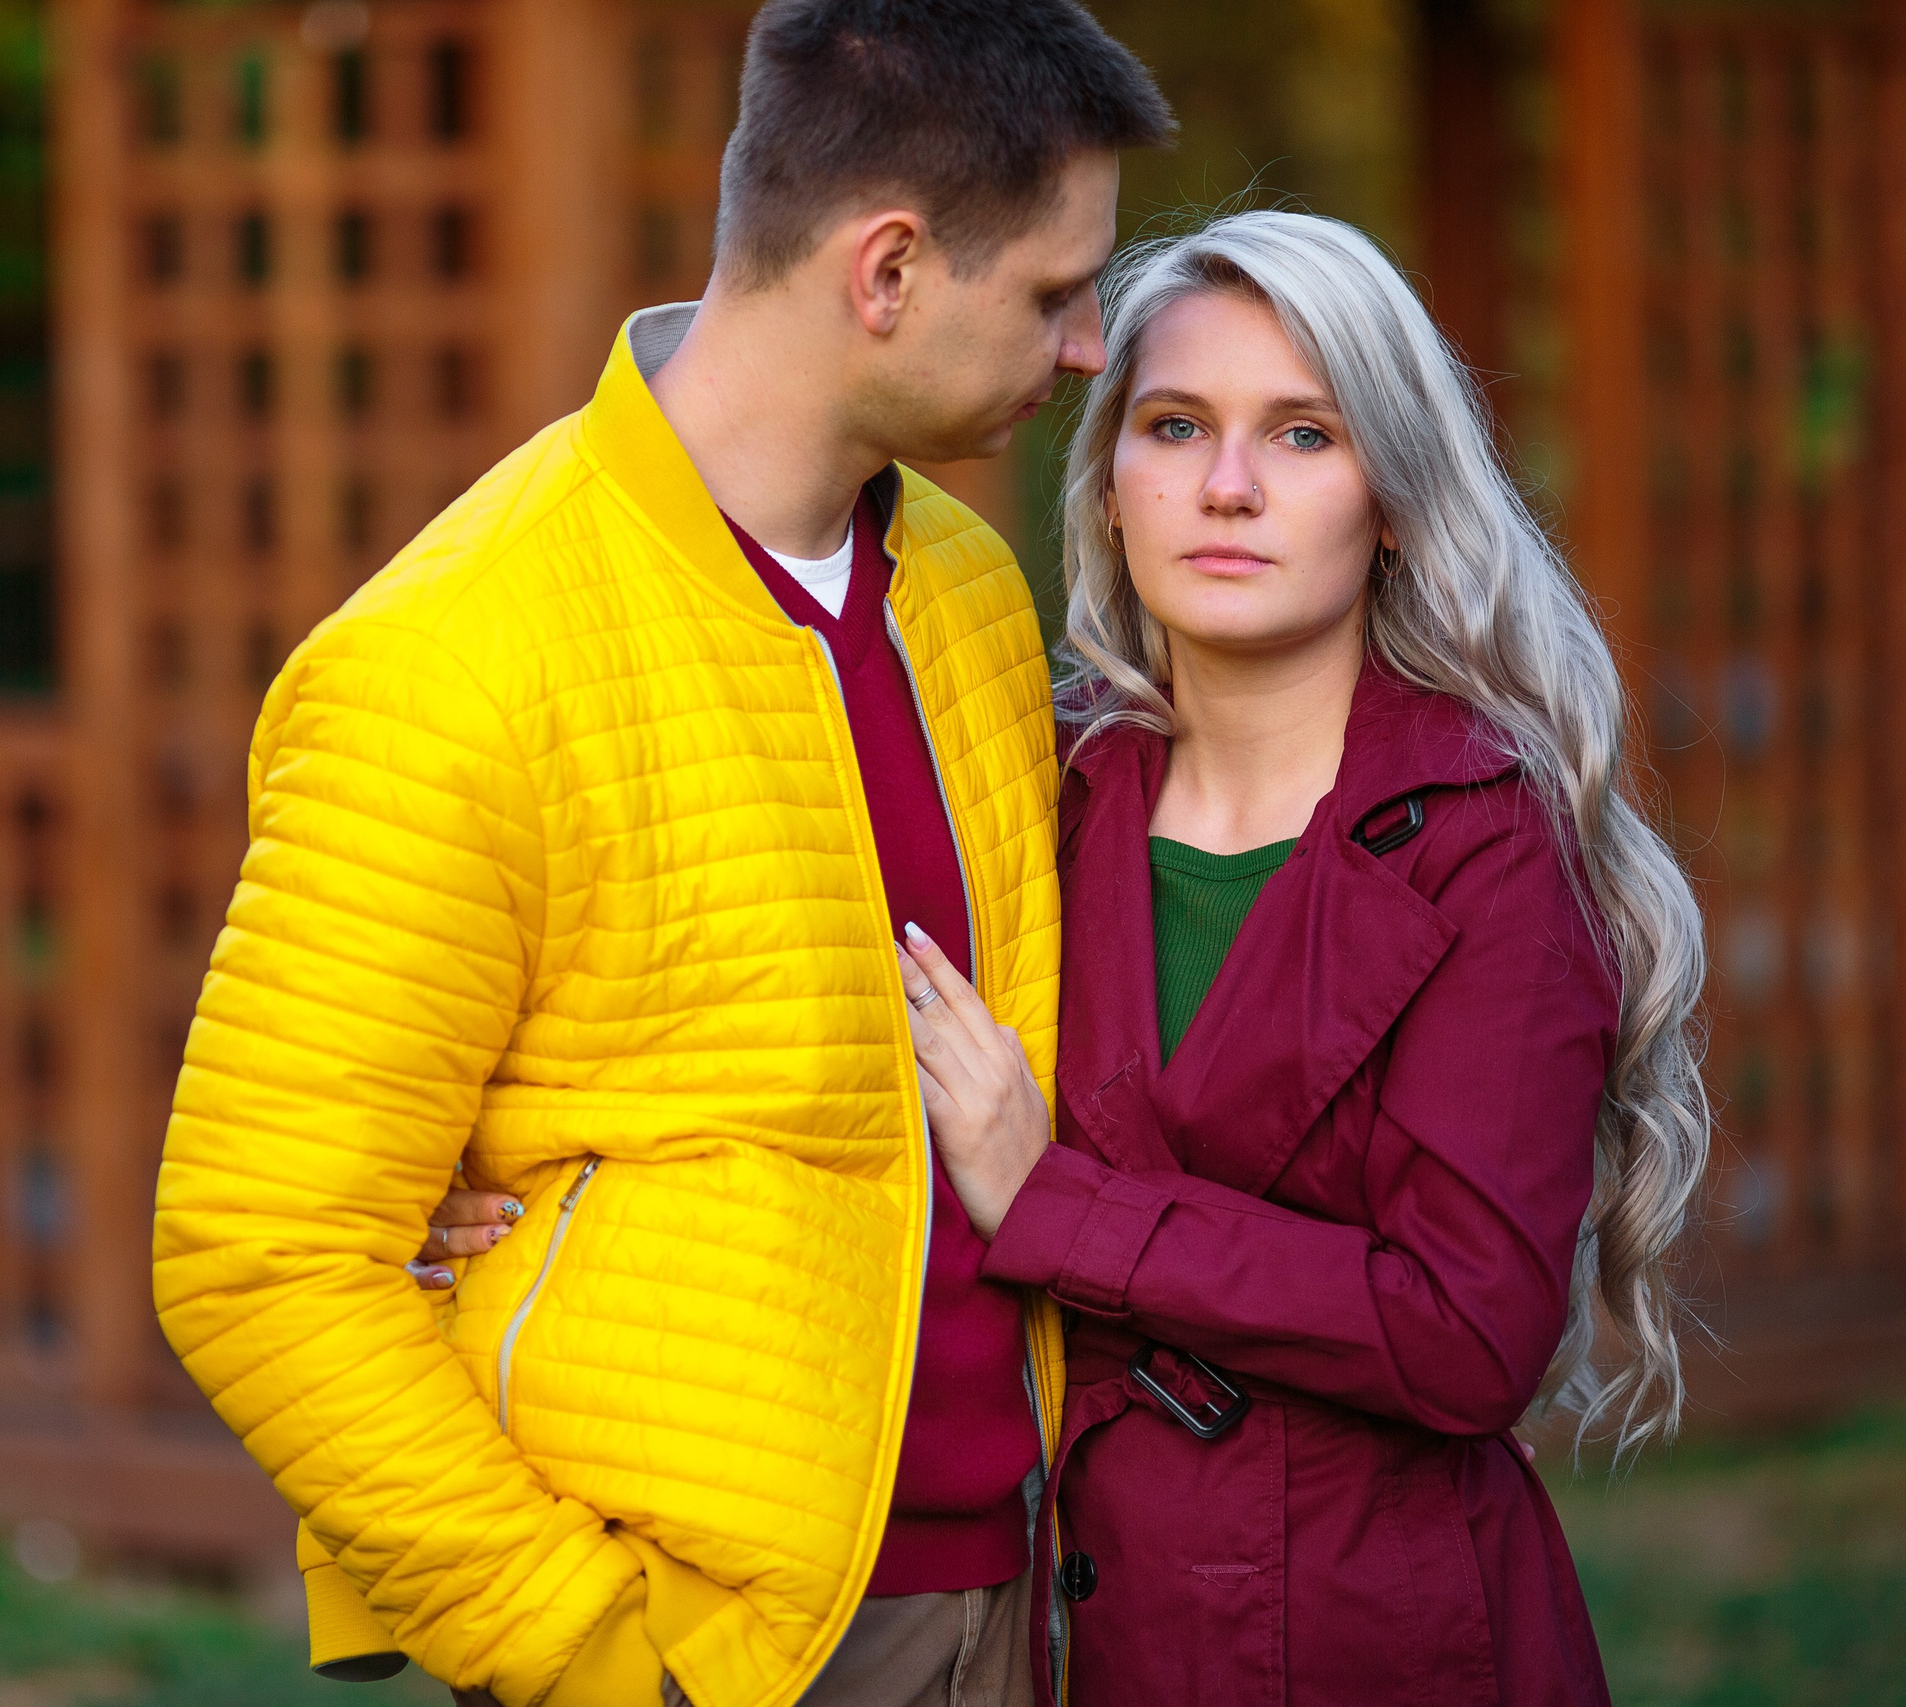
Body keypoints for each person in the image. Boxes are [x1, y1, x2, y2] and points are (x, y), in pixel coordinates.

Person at [151, 5, 1172, 1705]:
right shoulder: (458, 652)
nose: (1083, 351)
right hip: (704, 1638)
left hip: (1023, 1584)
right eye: (1056, 294)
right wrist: (589, 1657)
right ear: (890, 270)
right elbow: (259, 1253)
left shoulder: (977, 598)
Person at [890, 211, 1712, 1704]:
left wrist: (1060, 1209)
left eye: (1303, 434)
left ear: (1390, 497)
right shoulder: (1034, 786)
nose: (1226, 486)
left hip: (1373, 1640)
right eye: (1176, 424)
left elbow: (1469, 1332)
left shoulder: (1489, 840)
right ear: (1113, 484)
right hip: (1066, 1623)